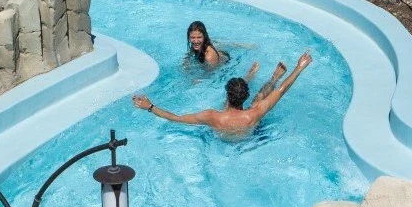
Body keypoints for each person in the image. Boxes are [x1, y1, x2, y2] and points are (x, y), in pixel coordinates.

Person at [134, 52, 313, 137]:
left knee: (251, 102)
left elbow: (176, 118)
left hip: (224, 141)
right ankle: (273, 78)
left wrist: (150, 107)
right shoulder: (254, 113)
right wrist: (299, 67)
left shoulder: (212, 116)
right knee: (260, 98)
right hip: (252, 138)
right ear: (244, 97)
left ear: (227, 95)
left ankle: (255, 78)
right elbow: (282, 90)